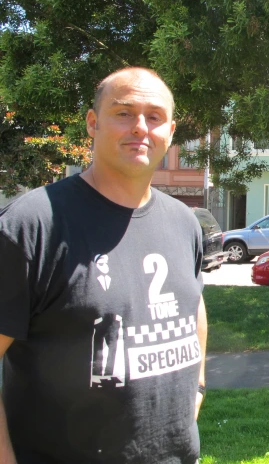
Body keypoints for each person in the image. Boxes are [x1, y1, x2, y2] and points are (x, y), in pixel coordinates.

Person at [0, 67, 208, 463]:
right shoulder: (31, 225)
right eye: (124, 113)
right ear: (93, 124)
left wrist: (196, 386)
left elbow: (193, 304)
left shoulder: (183, 222)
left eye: (155, 116)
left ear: (171, 130)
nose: (140, 128)